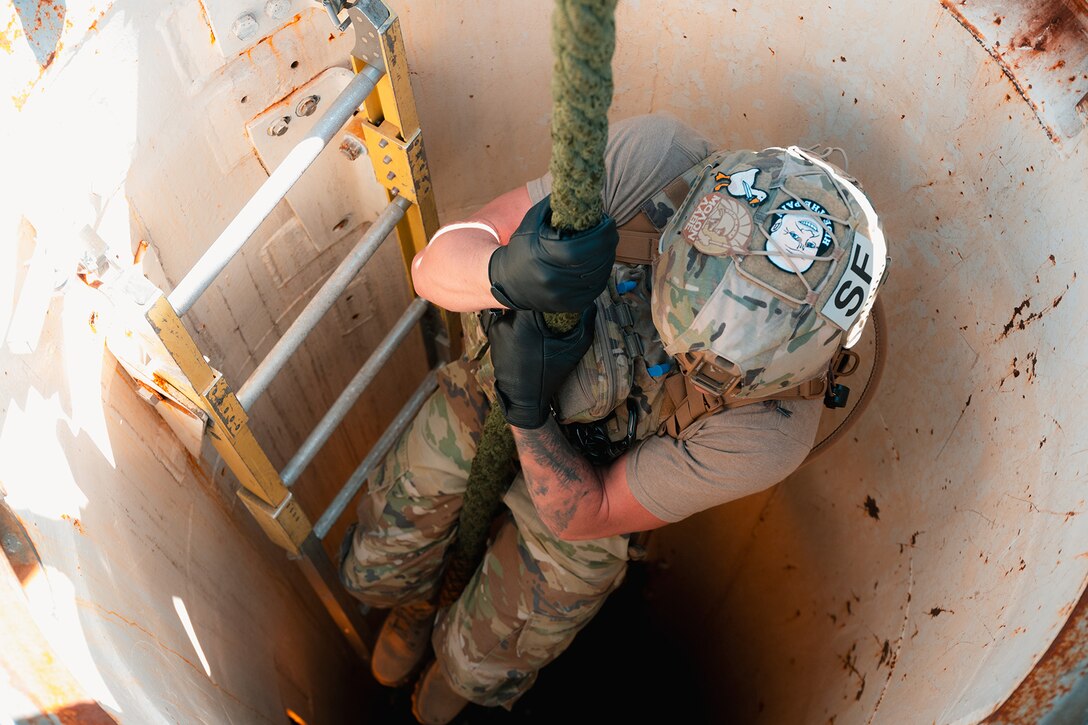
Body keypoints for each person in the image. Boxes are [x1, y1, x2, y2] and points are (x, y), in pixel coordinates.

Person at [338, 112, 886, 724]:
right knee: (378, 563)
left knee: (485, 657)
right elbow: (431, 268)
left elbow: (588, 514)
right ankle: (414, 605)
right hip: (488, 399)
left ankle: (454, 671)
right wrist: (504, 275)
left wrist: (529, 414)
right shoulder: (660, 163)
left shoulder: (768, 432)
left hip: (591, 486)